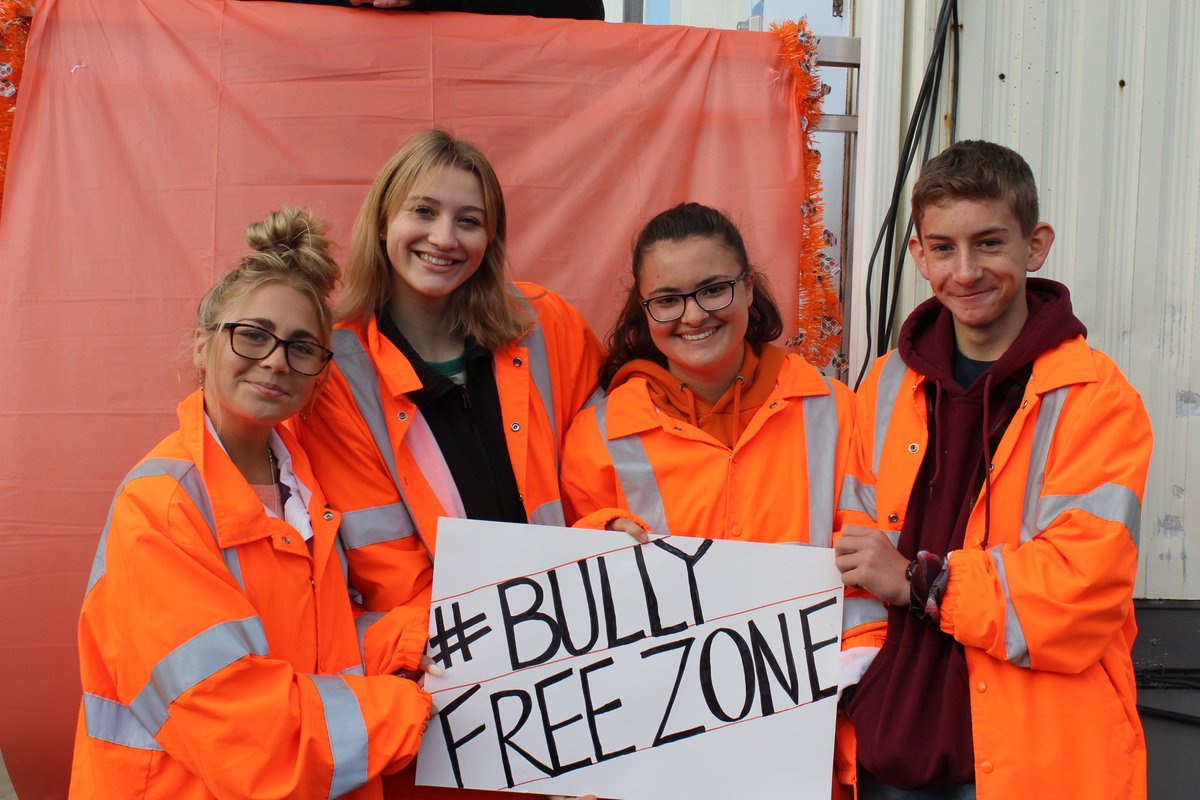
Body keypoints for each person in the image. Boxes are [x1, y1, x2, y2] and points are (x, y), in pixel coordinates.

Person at [71, 208, 432, 799]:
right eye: (253, 335)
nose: (275, 361)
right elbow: (245, 730)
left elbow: (316, 649)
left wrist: (424, 636)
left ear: (319, 375)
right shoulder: (162, 507)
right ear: (201, 344)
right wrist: (408, 708)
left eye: (301, 347)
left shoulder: (307, 489)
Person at [833, 140, 1152, 799]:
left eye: (989, 243)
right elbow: (855, 556)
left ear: (1035, 246)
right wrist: (864, 697)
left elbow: (1077, 593)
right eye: (943, 248)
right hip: (891, 753)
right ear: (917, 253)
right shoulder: (887, 387)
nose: (967, 270)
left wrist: (924, 582)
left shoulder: (1094, 400)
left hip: (1031, 762)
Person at [295, 129, 604, 799]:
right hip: (434, 698)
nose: (445, 237)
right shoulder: (330, 370)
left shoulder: (548, 326)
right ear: (382, 222)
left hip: (580, 676)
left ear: (492, 239)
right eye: (423, 211)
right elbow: (357, 568)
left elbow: (605, 465)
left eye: (470, 221)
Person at [560, 200, 855, 572]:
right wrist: (598, 535)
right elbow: (573, 574)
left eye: (714, 290)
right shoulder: (596, 437)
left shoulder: (836, 411)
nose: (695, 316)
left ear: (748, 288)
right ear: (645, 307)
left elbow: (864, 558)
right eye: (668, 300)